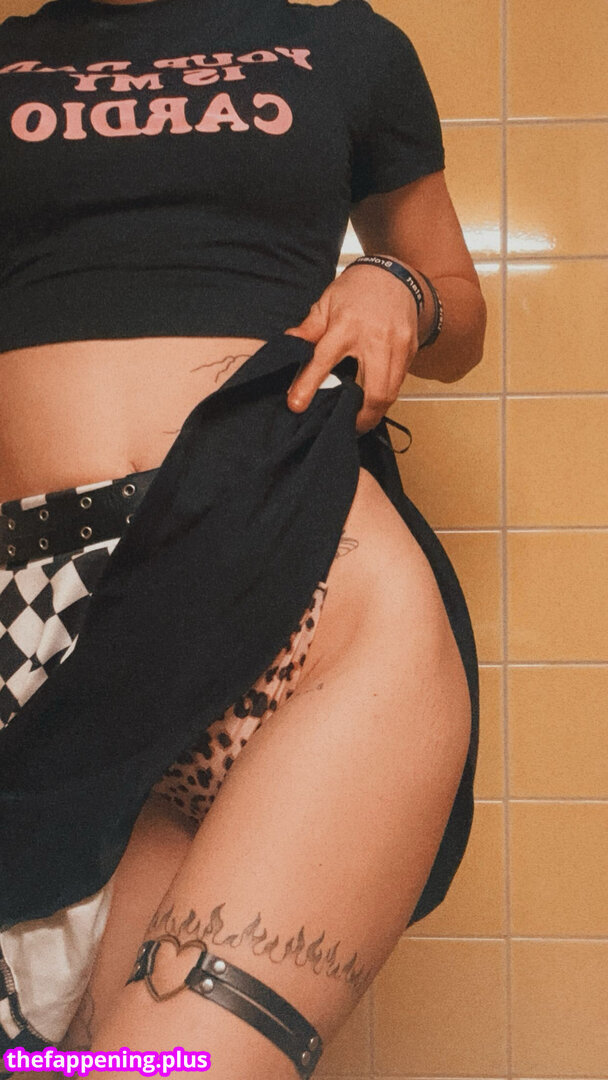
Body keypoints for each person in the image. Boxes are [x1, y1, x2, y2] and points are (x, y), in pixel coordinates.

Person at [0, 0, 486, 1076]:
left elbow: (459, 308)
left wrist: (396, 284)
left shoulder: (344, 45)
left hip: (296, 579)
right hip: (54, 637)